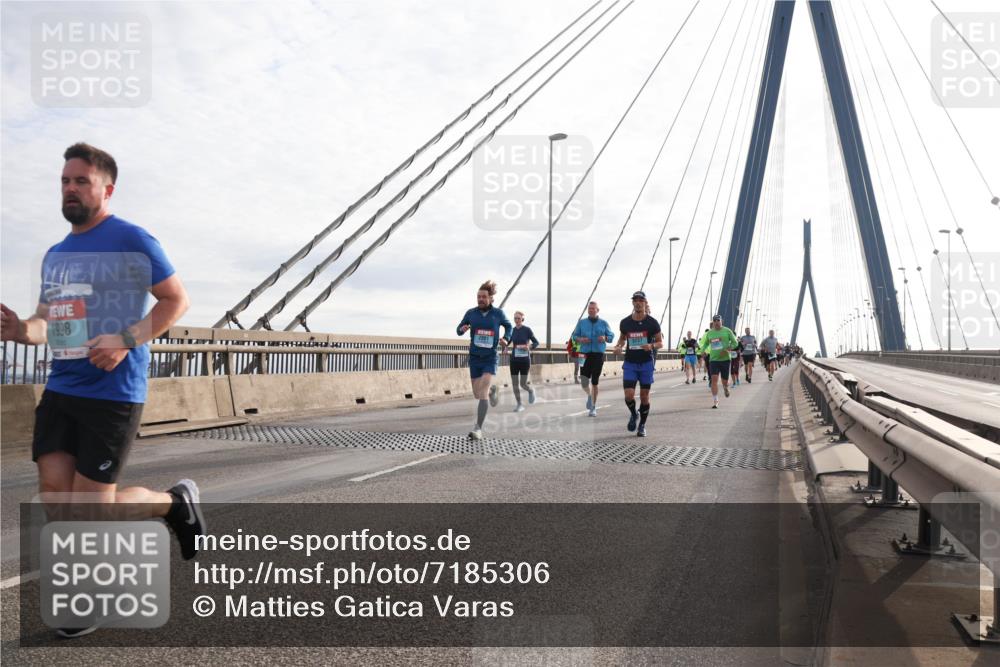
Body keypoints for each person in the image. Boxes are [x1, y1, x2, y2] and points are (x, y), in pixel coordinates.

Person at [0, 144, 202, 638]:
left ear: (106, 189)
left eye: (81, 181)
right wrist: (20, 331)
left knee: (90, 511)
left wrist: (125, 339)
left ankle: (172, 505)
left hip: (113, 394)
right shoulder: (55, 255)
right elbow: (49, 322)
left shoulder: (132, 239)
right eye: (65, 181)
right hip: (63, 388)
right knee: (56, 502)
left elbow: (176, 300)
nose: (70, 188)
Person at [457, 280, 512, 440]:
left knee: (482, 393)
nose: (480, 299)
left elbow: (508, 327)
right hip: (474, 358)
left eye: (483, 297)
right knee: (477, 393)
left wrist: (506, 339)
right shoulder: (471, 313)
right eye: (478, 297)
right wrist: (462, 329)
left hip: (490, 357)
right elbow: (459, 329)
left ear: (490, 298)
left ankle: (478, 429)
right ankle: (493, 389)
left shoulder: (498, 314)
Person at [611, 291, 662, 437]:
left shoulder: (652, 322)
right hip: (630, 363)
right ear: (632, 303)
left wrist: (651, 346)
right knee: (629, 395)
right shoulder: (625, 322)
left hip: (646, 363)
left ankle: (642, 426)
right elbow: (622, 339)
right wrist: (618, 346)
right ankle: (634, 414)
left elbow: (660, 342)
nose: (638, 302)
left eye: (641, 300)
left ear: (645, 303)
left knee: (644, 396)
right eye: (636, 300)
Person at [571, 301, 614, 418]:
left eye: (593, 309)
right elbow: (574, 336)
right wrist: (581, 340)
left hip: (597, 354)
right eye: (589, 309)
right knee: (584, 381)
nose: (591, 310)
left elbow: (611, 336)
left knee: (594, 381)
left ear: (597, 310)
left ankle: (593, 407)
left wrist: (605, 338)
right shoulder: (582, 323)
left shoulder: (604, 323)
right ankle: (589, 396)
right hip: (583, 354)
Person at [698, 314, 740, 409]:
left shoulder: (727, 331)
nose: (716, 322)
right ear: (713, 322)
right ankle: (716, 400)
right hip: (713, 359)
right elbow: (705, 344)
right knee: (714, 379)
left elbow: (735, 343)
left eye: (718, 320)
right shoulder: (710, 333)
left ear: (721, 321)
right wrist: (703, 351)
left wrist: (728, 349)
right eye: (715, 321)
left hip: (725, 359)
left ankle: (725, 388)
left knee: (724, 381)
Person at [508, 311, 539, 412]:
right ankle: (519, 404)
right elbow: (507, 342)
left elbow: (536, 342)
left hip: (525, 360)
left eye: (518, 318)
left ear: (522, 319)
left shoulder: (527, 330)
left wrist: (529, 346)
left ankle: (530, 390)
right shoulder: (512, 330)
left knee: (523, 384)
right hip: (514, 360)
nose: (516, 320)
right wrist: (503, 345)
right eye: (515, 318)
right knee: (515, 384)